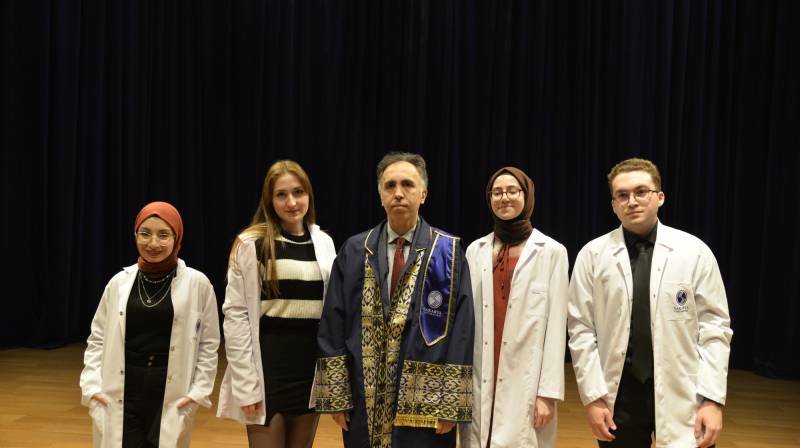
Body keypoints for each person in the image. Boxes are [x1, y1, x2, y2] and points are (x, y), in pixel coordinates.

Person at [567, 158, 732, 447]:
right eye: (622, 195)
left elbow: (715, 329)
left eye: (641, 191)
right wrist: (592, 398)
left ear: (660, 197)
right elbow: (581, 331)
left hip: (685, 391)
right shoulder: (592, 255)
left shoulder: (694, 252)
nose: (632, 201)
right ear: (613, 205)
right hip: (619, 395)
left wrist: (712, 400)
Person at [315, 152, 474, 448]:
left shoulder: (448, 253)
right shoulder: (354, 250)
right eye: (390, 186)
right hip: (364, 392)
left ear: (423, 194)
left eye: (407, 185)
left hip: (426, 398)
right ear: (380, 196)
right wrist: (336, 396)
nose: (398, 193)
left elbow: (462, 332)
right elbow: (333, 322)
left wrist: (452, 402)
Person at [80, 201, 220, 448]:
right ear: (135, 235)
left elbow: (209, 345)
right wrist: (92, 385)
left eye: (163, 235)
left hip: (170, 385)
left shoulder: (198, 283)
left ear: (177, 238)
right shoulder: (118, 283)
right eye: (145, 234)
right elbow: (97, 338)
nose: (153, 243)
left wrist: (198, 392)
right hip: (124, 384)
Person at [217, 160, 336, 448]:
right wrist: (246, 384)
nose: (292, 202)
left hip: (309, 370)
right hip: (268, 371)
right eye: (281, 194)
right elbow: (235, 317)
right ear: (269, 200)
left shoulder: (324, 243)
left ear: (309, 195)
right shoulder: (251, 243)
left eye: (298, 192)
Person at [461, 167, 568, 448]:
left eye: (512, 191)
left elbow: (557, 327)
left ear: (527, 196)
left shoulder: (551, 251)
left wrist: (547, 393)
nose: (504, 197)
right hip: (482, 368)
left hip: (527, 377)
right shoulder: (475, 250)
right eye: (497, 192)